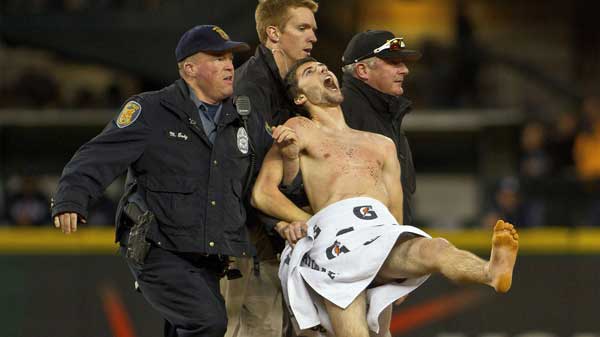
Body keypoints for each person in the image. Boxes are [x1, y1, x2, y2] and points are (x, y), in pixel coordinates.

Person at [252, 58, 519, 337]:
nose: (323, 71)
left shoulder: (382, 144)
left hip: (380, 235)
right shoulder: (300, 127)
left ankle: (490, 272)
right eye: (310, 71)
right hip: (335, 242)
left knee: (435, 248)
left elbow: (395, 210)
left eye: (323, 68)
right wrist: (312, 223)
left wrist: (399, 270)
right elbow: (262, 194)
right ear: (299, 96)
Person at [51, 25, 270, 337]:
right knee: (208, 322)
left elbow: (269, 178)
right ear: (189, 69)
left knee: (189, 326)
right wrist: (71, 197)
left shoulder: (244, 118)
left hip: (208, 254)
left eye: (230, 59)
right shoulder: (152, 110)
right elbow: (97, 155)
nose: (229, 65)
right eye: (218, 58)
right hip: (157, 247)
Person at [225, 1, 318, 337]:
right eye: (302, 28)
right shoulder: (249, 87)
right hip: (250, 238)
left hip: (279, 240)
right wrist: (280, 223)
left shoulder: (292, 89)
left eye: (313, 30)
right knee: (256, 328)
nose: (312, 38)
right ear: (273, 34)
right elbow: (244, 173)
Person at [340, 30, 421, 228]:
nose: (404, 70)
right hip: (359, 241)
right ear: (362, 71)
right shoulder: (341, 111)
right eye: (394, 63)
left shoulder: (386, 111)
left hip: (386, 237)